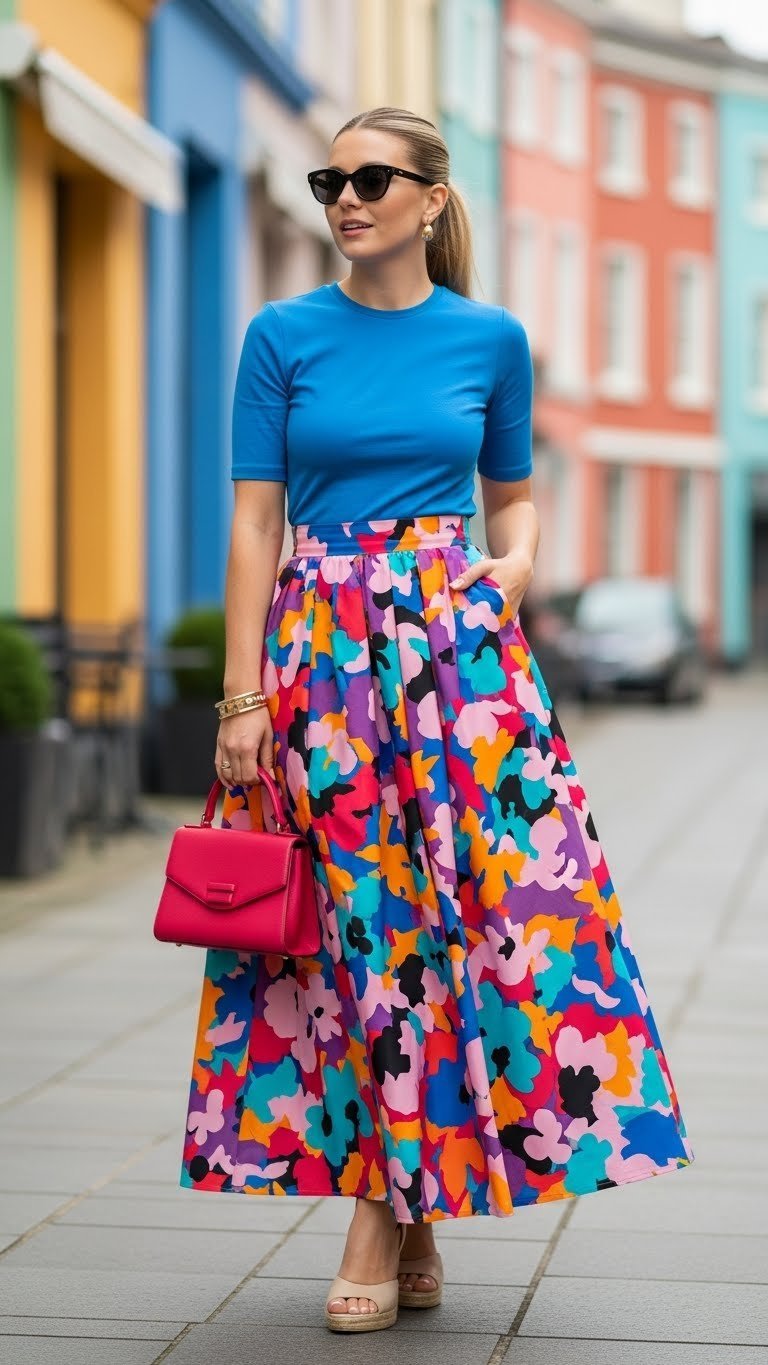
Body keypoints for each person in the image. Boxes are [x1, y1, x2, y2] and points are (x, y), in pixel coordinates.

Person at [179, 106, 694, 1334]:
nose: (347, 199)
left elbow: (512, 501)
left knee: (477, 922)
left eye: (371, 179)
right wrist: (243, 696)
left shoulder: (492, 340)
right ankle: (398, 1209)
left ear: (430, 199)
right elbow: (254, 522)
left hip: (458, 664)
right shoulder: (281, 335)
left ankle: (388, 1210)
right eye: (330, 181)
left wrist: (513, 567)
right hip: (323, 662)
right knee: (355, 931)